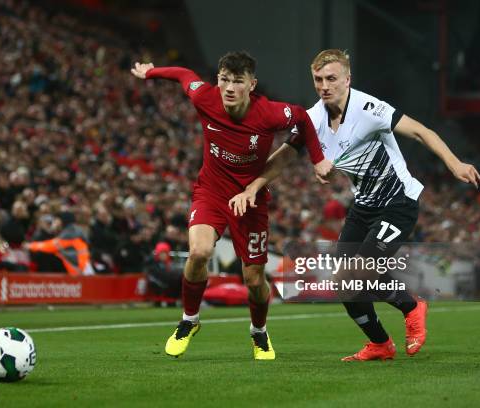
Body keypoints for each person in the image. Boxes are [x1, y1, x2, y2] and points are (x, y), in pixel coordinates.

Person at [229, 49, 480, 361]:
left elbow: (420, 131)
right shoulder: (313, 119)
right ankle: (379, 344)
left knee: (357, 271)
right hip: (363, 207)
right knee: (343, 283)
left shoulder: (369, 109)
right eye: (318, 79)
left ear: (348, 79)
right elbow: (284, 155)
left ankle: (412, 306)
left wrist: (454, 163)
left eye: (331, 78)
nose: (324, 85)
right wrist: (253, 185)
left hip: (397, 201)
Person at [131, 51, 332, 360]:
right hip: (211, 191)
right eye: (224, 79)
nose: (228, 88)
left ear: (251, 85)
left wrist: (318, 160)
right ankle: (189, 321)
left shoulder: (270, 114)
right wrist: (152, 72)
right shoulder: (205, 99)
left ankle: (259, 332)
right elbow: (185, 75)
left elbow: (303, 119)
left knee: (253, 279)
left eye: (237, 81)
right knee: (198, 252)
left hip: (250, 201)